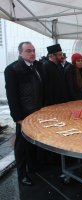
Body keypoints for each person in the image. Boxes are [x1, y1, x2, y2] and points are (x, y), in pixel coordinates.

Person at [4, 41, 43, 186]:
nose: (32, 53)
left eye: (33, 50)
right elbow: (12, 96)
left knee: (33, 141)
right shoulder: (12, 69)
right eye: (28, 51)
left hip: (37, 112)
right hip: (24, 115)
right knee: (21, 146)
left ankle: (33, 167)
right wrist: (18, 118)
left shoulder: (37, 66)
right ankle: (22, 174)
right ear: (20, 53)